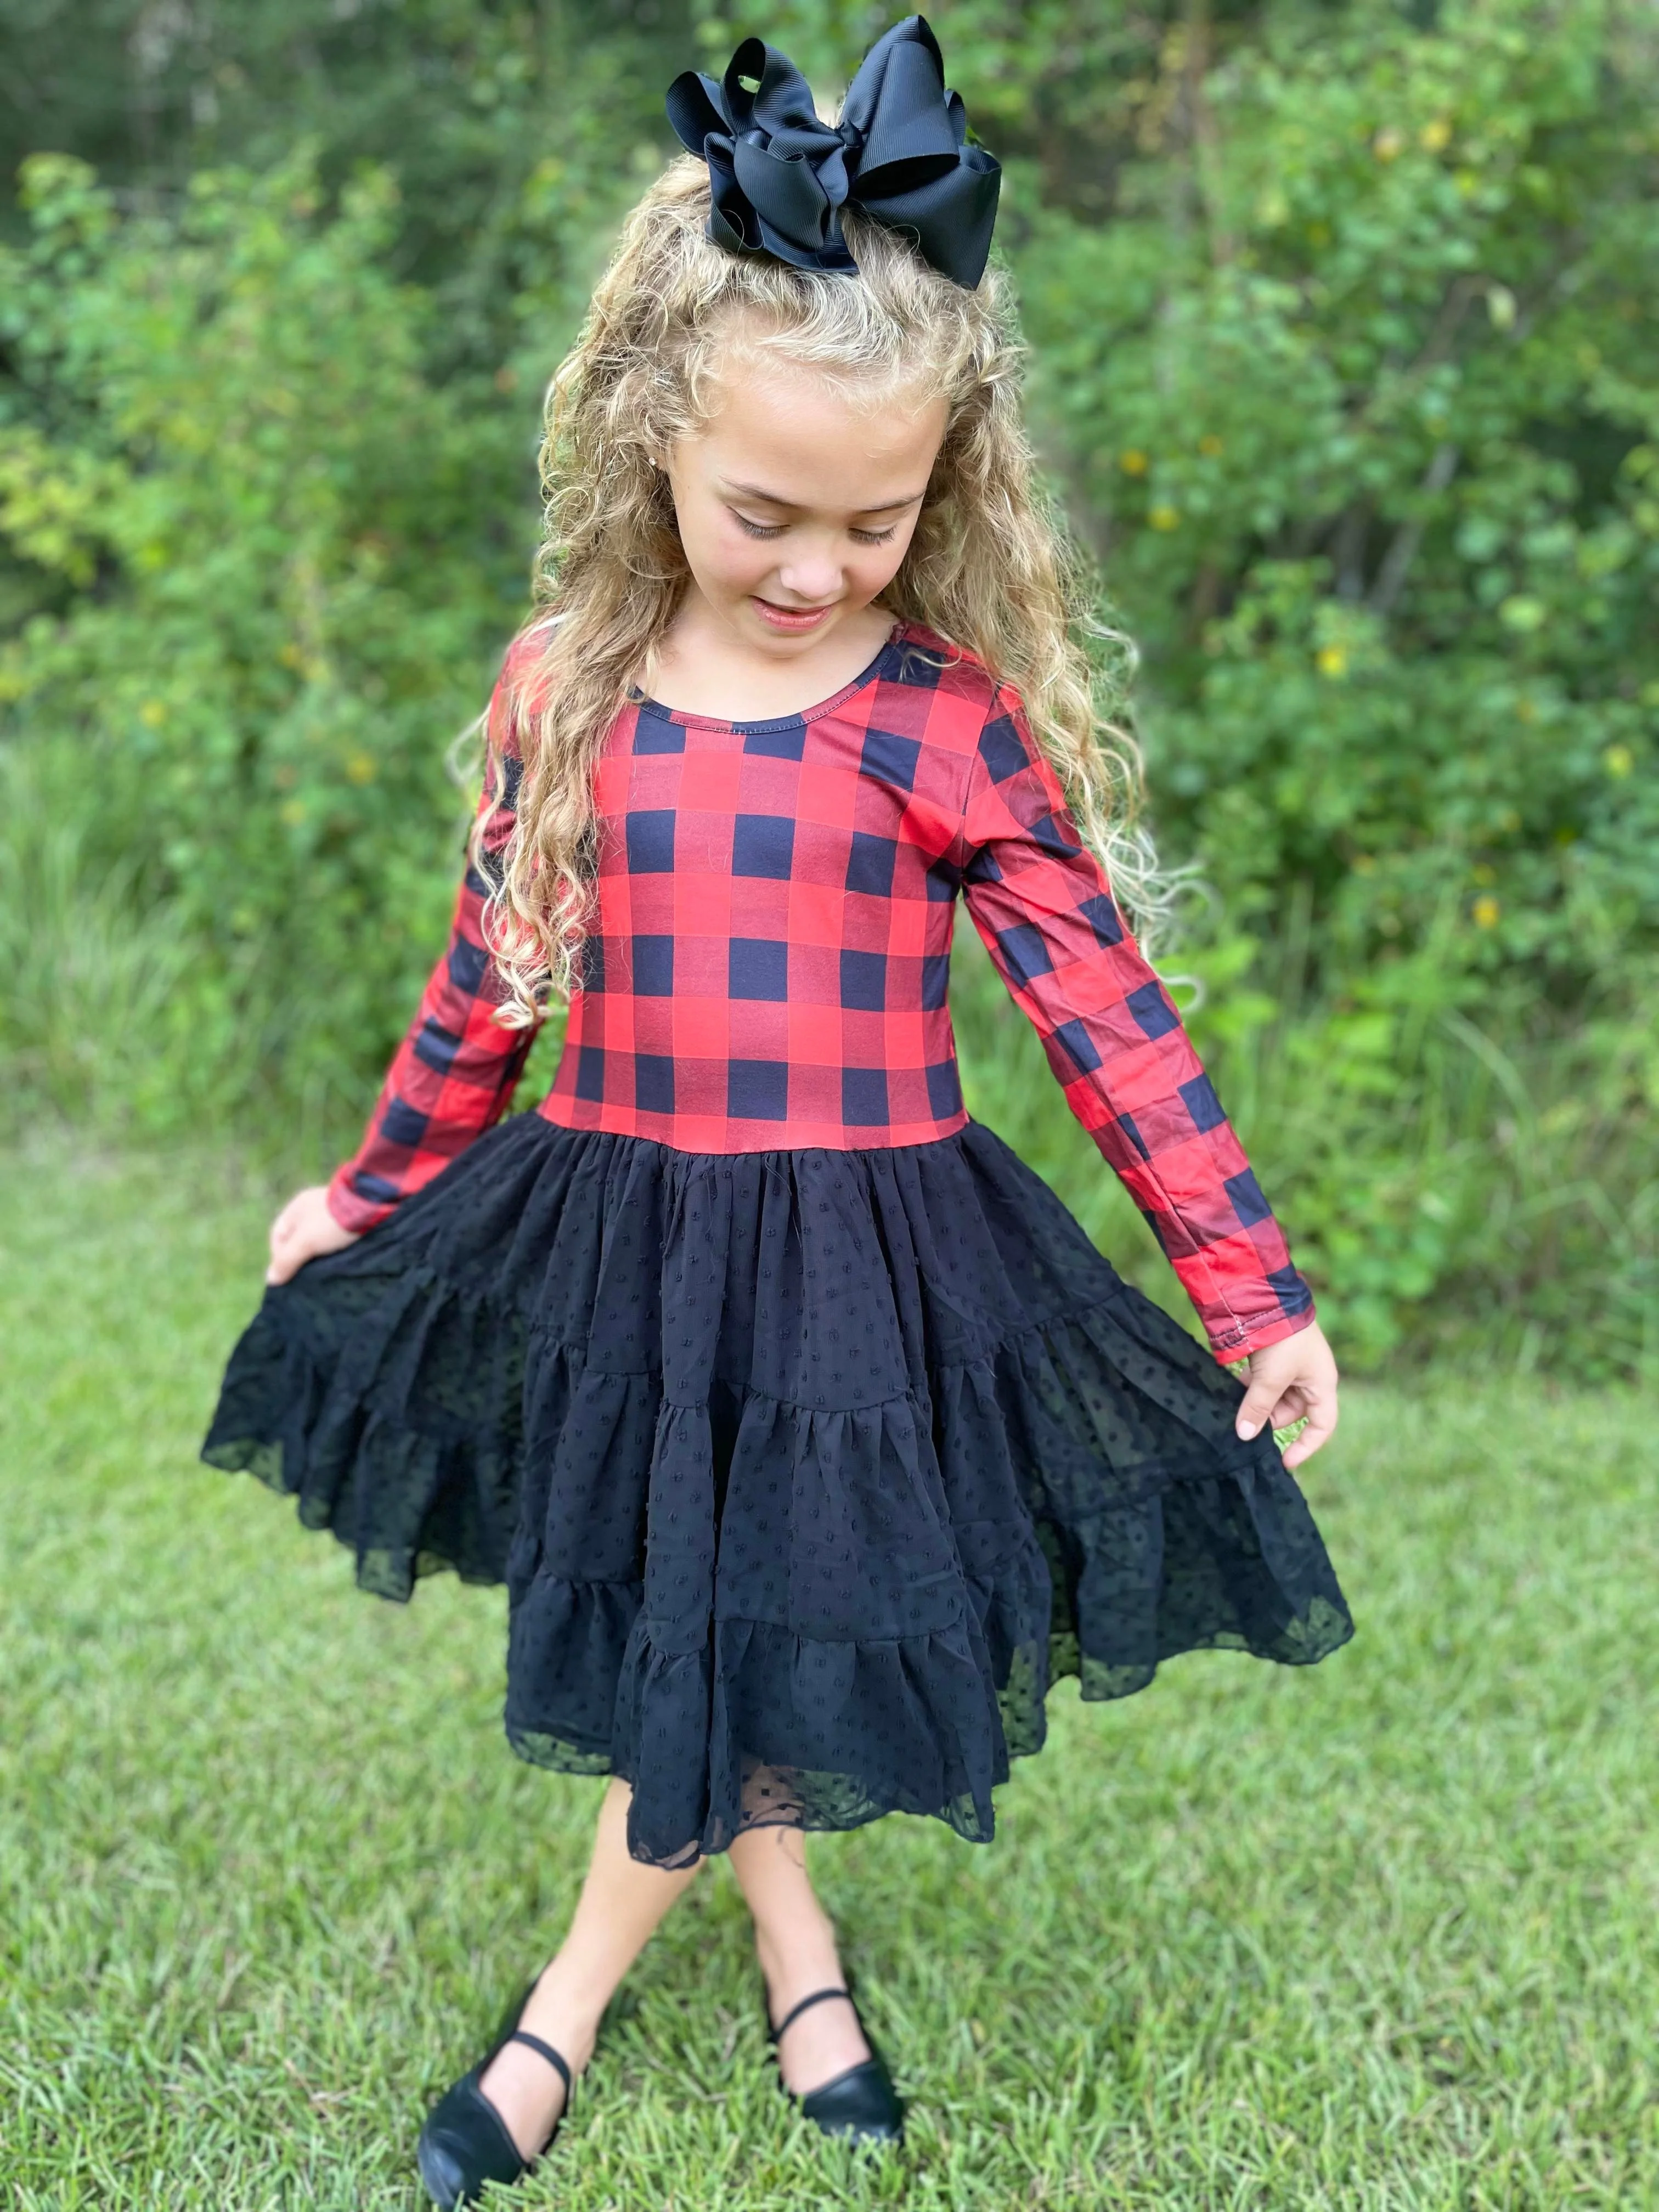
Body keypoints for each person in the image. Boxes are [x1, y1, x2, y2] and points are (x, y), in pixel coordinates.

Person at [201, 17, 1351, 2206]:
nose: (817, 567)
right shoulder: (574, 696)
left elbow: (1111, 1021)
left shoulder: (939, 721)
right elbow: (486, 993)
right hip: (626, 1242)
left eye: (878, 520)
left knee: (748, 1614)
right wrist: (371, 1194)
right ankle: (801, 1952)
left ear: (949, 491)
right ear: (650, 441)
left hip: (856, 1264)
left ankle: (562, 2009)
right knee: (691, 1609)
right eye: (761, 514)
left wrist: (1249, 1284)